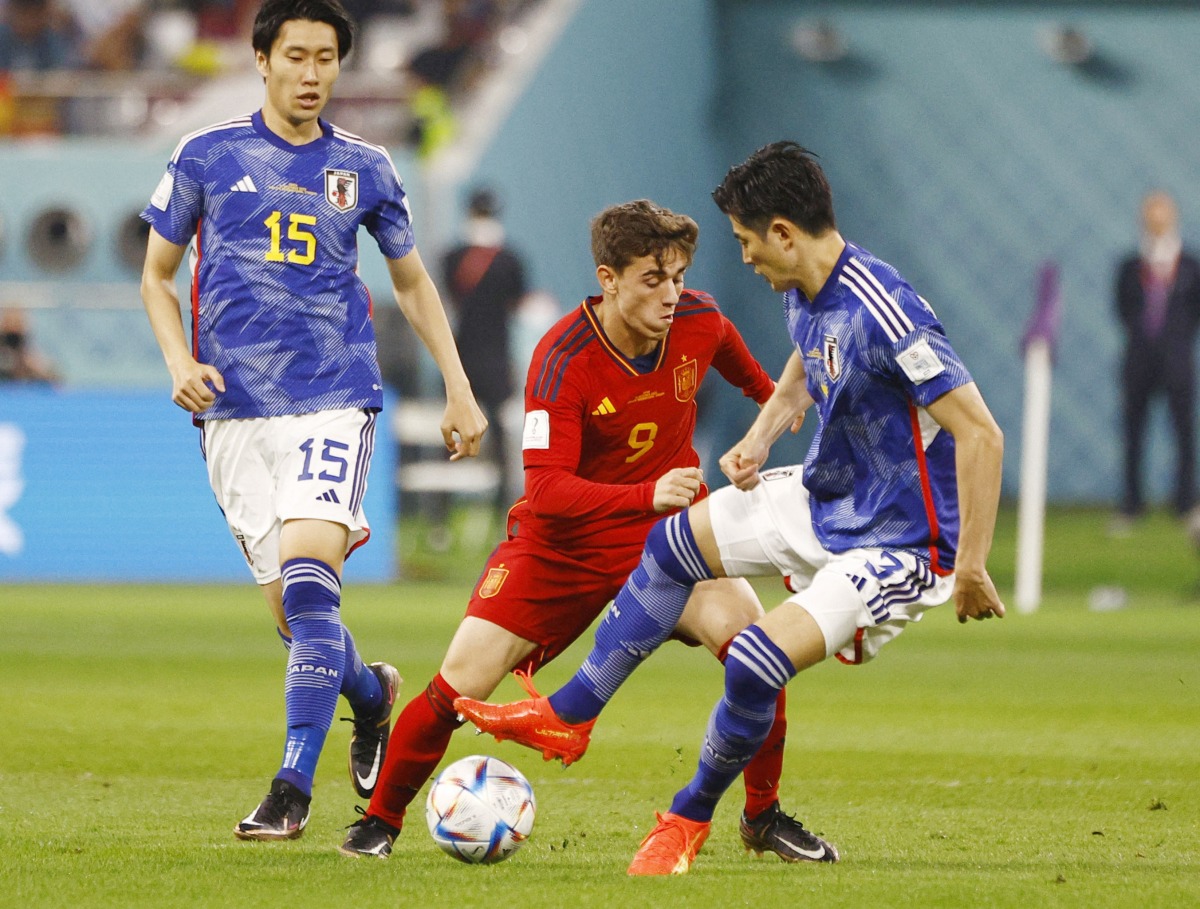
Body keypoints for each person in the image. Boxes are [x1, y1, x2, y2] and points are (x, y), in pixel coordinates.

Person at [456, 141, 1006, 875]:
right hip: (828, 497)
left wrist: (969, 564)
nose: (743, 258)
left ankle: (685, 819)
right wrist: (756, 439)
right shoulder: (804, 287)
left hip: (901, 540)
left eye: (747, 242)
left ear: (783, 232)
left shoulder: (887, 312)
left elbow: (982, 433)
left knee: (753, 661)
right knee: (675, 540)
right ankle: (572, 712)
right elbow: (802, 371)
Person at [340, 199, 819, 865]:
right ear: (609, 277)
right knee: (457, 686)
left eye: (678, 276)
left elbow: (743, 368)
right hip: (559, 547)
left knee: (763, 658)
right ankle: (378, 822)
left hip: (670, 542)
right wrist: (646, 491)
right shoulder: (562, 358)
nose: (671, 294)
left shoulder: (700, 320)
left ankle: (762, 816)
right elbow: (547, 491)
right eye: (653, 280)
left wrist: (772, 405)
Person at [139, 0, 486, 842]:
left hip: (333, 397)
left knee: (307, 584)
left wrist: (458, 385)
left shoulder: (366, 167)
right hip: (231, 414)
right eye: (295, 56)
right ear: (261, 59)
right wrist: (180, 365)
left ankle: (291, 788)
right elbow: (156, 275)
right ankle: (372, 698)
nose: (311, 73)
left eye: (326, 58)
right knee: (298, 621)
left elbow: (409, 282)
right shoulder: (205, 155)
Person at [1113, 190, 1200, 528]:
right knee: (1133, 432)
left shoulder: (1190, 265)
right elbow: (1122, 308)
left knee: (1183, 432)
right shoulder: (1130, 266)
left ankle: (1185, 503)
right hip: (1138, 361)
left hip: (1178, 361)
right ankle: (1132, 504)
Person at [441, 185, 527, 521]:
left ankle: (441, 518)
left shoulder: (452, 257)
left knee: (447, 432)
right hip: (497, 357)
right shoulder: (511, 260)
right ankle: (503, 510)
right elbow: (517, 303)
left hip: (460, 358)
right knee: (501, 435)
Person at [0, 307, 60, 384]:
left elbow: (55, 379)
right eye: (10, 323)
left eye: (17, 323)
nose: (13, 326)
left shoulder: (30, 359)